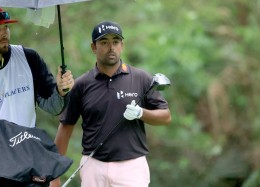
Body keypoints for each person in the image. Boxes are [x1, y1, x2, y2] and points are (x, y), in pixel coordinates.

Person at [0, 6, 75, 187]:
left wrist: (61, 91)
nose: (5, 33)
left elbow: (53, 107)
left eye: (6, 27)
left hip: (28, 160)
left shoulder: (28, 57)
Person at [50, 21, 171, 187]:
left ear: (122, 45)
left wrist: (141, 113)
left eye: (115, 42)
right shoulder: (82, 84)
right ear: (93, 47)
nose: (111, 47)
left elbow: (165, 116)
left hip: (132, 167)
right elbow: (65, 127)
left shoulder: (140, 78)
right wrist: (54, 175)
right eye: (104, 42)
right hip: (93, 164)